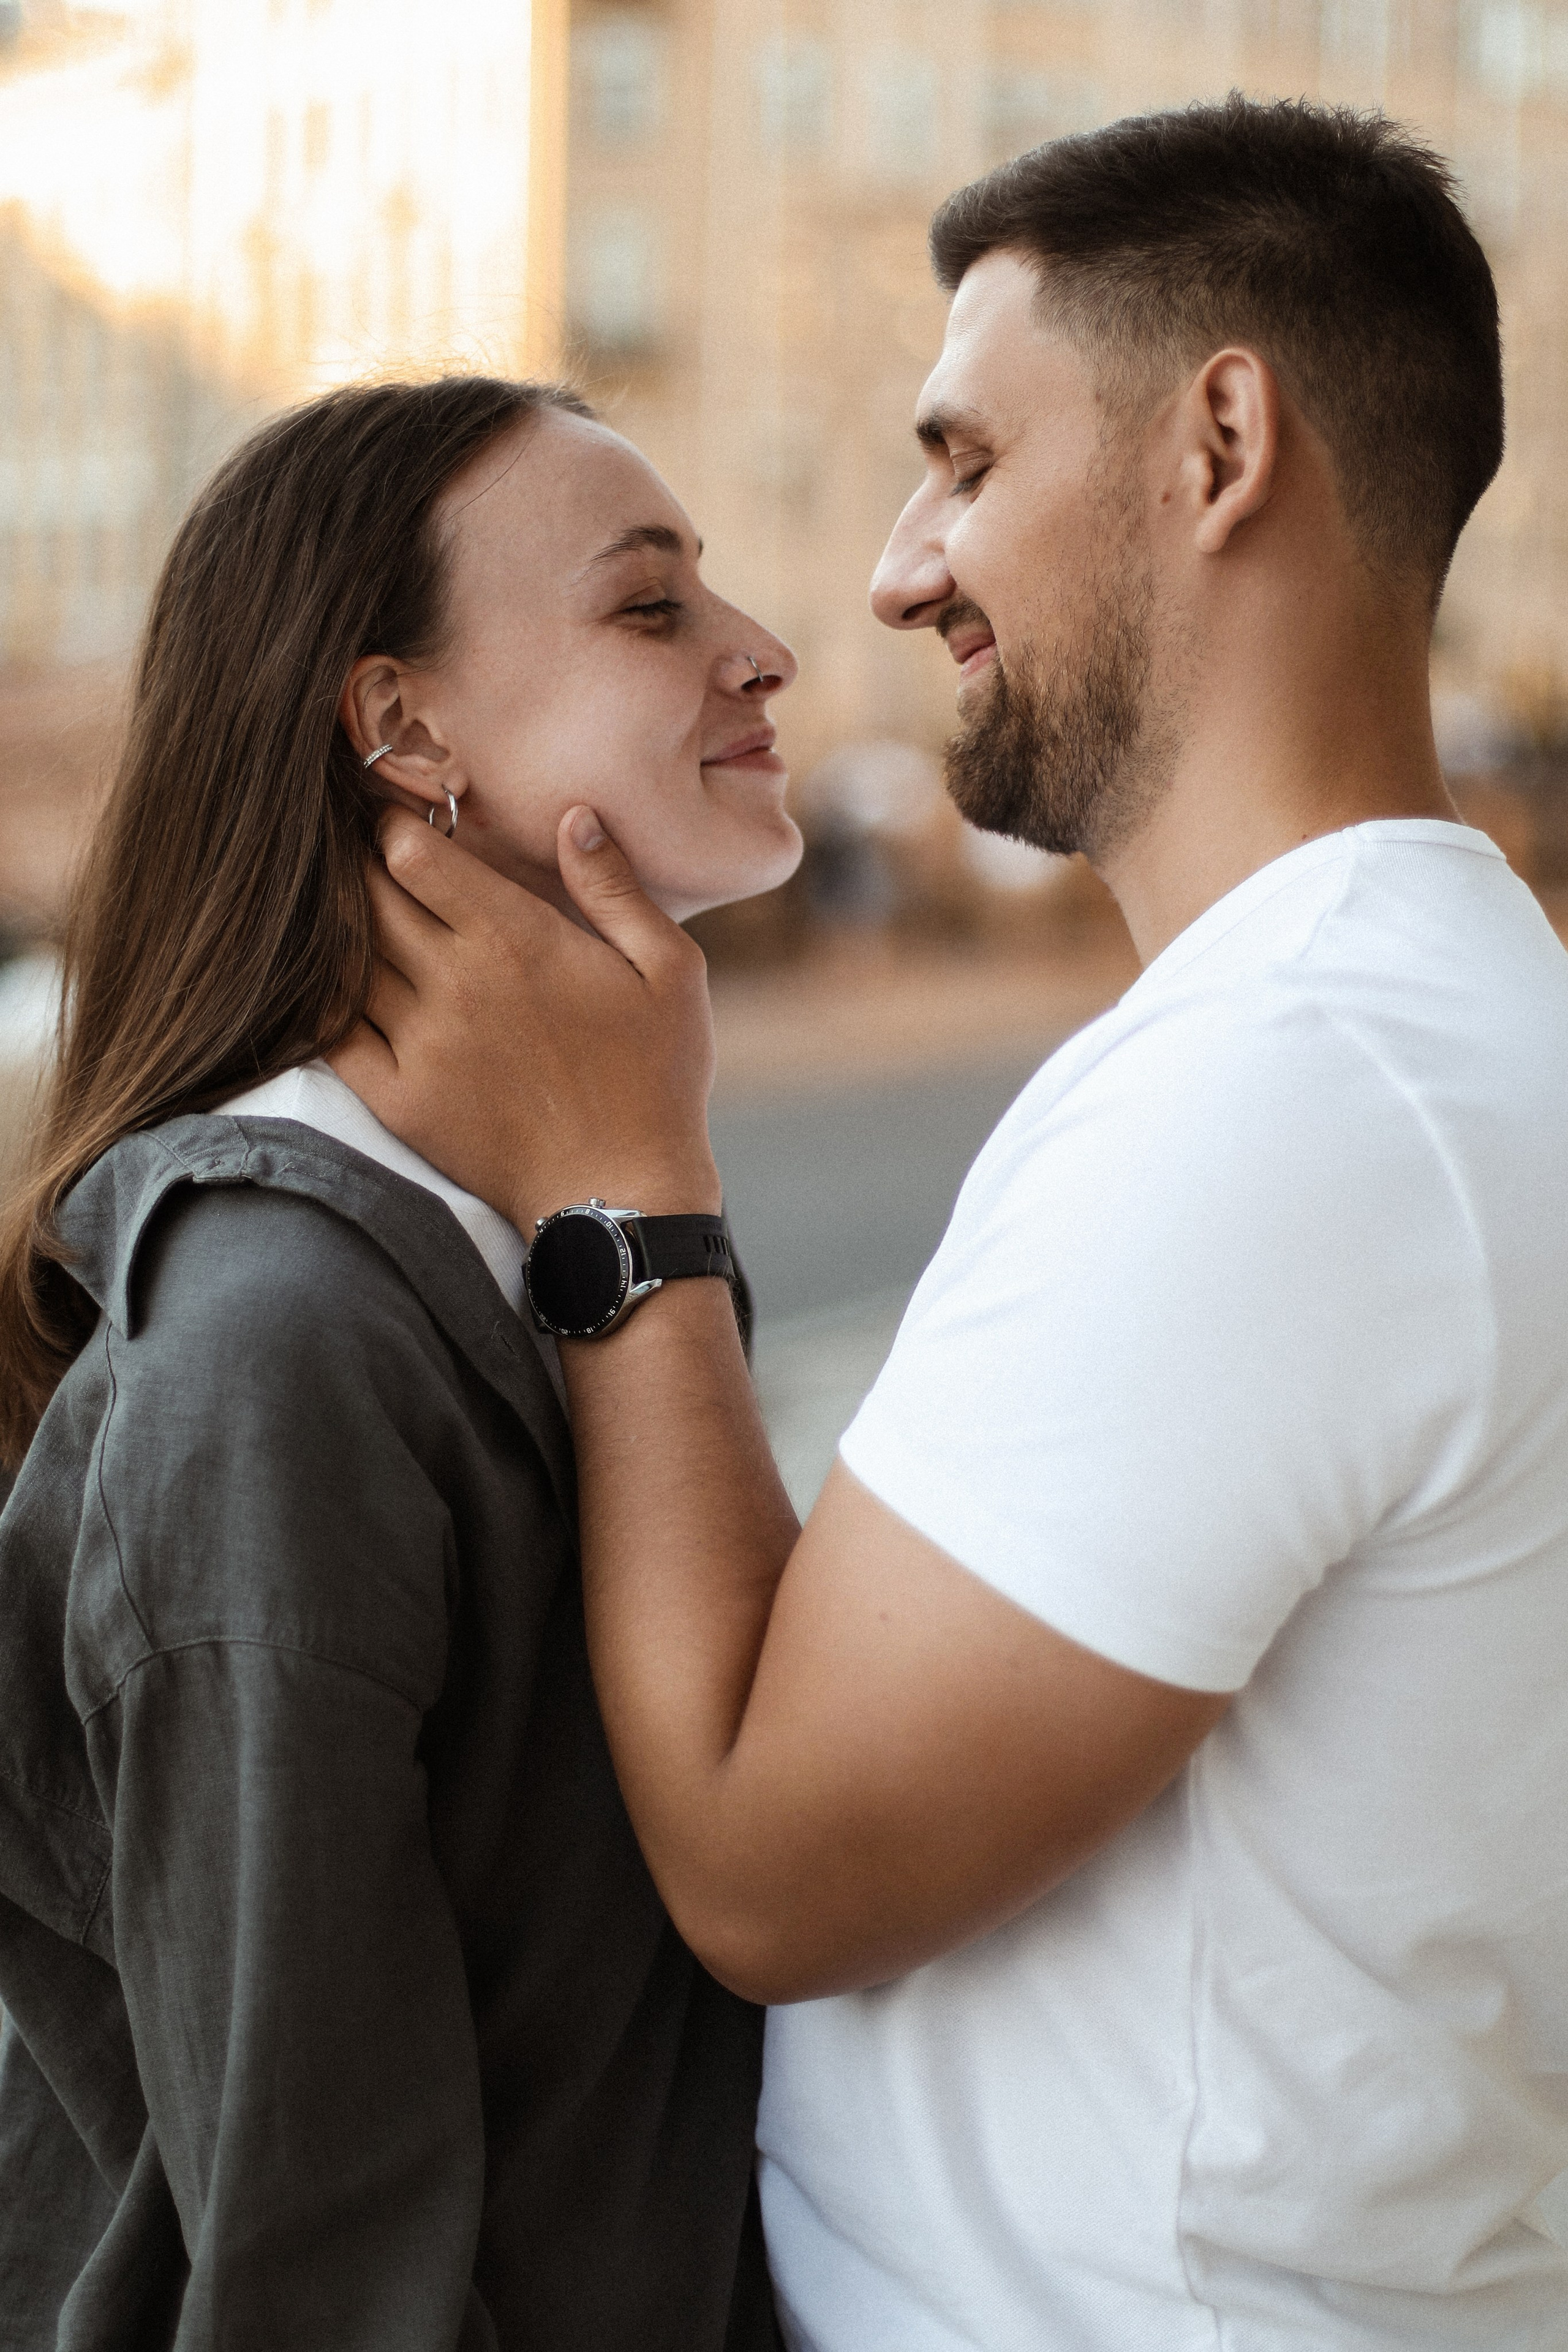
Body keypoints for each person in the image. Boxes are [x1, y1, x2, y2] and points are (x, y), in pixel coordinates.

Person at [334, 99, 1568, 2350]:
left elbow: (768, 1860)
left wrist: (633, 1193)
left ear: (1219, 443)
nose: (897, 571)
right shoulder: (1410, 1028)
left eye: (966, 460)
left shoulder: (1301, 1094)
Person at [0, 375, 801, 2348]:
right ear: (400, 725)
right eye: (650, 606)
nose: (760, 647)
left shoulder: (536, 1220)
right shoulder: (278, 1340)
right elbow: (313, 2246)